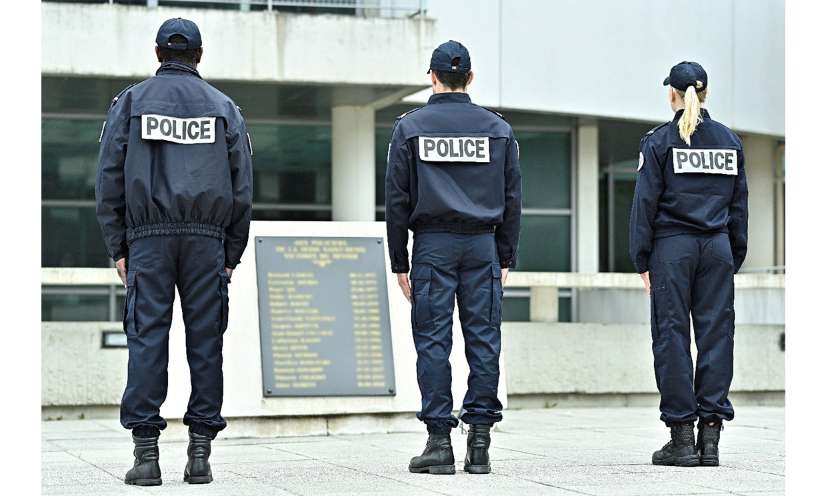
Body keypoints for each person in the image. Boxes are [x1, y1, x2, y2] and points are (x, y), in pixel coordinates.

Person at [95, 18, 253, 486]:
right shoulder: (225, 108)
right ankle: (200, 455)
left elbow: (108, 179)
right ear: (198, 55)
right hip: (207, 241)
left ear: (158, 52)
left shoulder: (130, 104)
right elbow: (242, 188)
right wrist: (231, 252)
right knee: (206, 343)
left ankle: (146, 457)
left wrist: (118, 245)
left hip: (148, 239)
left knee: (147, 338)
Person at [385, 40, 522, 475]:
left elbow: (396, 201)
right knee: (484, 341)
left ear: (432, 77)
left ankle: (439, 443)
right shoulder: (497, 129)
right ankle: (479, 443)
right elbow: (513, 198)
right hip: (482, 246)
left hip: (433, 246)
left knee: (433, 342)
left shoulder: (410, 128)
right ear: (470, 78)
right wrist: (505, 255)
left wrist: (399, 261)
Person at [629, 61, 748, 467]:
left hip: (672, 250)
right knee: (717, 337)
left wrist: (641, 257)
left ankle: (681, 439)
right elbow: (739, 207)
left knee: (672, 337)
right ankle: (710, 439)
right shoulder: (730, 141)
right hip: (717, 249)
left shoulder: (660, 142)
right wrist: (732, 255)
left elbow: (645, 203)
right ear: (706, 93)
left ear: (673, 96)